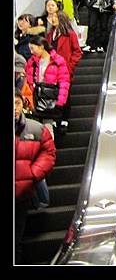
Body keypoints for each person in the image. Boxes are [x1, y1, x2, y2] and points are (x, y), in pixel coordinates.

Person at [14, 91, 56, 265]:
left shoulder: (35, 129)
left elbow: (49, 153)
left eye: (17, 103)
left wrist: (32, 174)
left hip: (21, 194)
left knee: (15, 239)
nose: (14, 108)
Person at [25, 36, 71, 137]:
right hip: (35, 99)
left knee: (48, 127)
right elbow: (28, 81)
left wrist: (60, 102)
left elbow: (64, 82)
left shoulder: (58, 61)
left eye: (33, 48)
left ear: (41, 46)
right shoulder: (31, 62)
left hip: (50, 99)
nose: (31, 52)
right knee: (35, 129)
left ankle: (49, 146)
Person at [47, 11, 83, 132]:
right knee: (54, 94)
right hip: (52, 71)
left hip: (65, 70)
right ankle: (55, 119)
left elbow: (77, 52)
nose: (53, 19)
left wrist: (69, 66)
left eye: (55, 17)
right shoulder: (50, 35)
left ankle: (64, 119)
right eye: (52, 17)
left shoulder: (70, 34)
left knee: (65, 95)